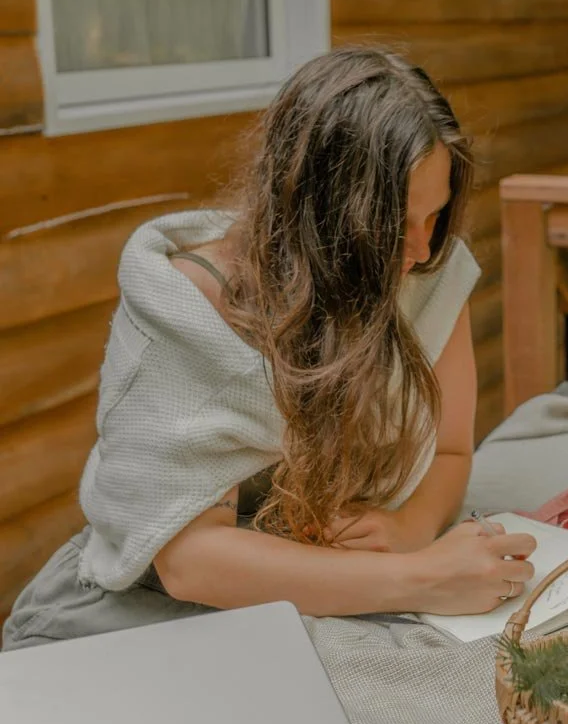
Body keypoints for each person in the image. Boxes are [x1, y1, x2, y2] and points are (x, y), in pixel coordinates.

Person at [2, 47, 536, 651]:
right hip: (152, 607)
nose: (420, 249)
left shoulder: (428, 270)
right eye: (394, 226)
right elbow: (190, 562)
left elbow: (452, 449)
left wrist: (409, 528)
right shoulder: (188, 309)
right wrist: (420, 578)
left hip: (341, 589)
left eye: (434, 216)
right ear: (321, 216)